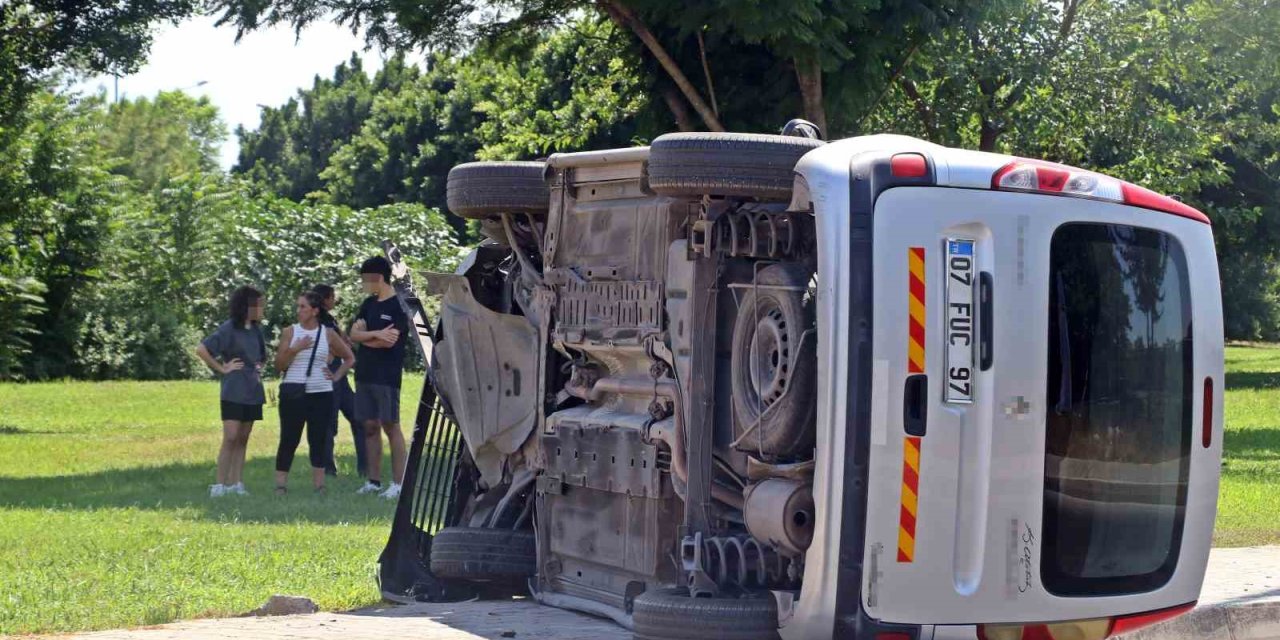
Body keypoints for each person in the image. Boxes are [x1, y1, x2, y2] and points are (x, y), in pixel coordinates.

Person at [273, 290, 356, 495]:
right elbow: (279, 365)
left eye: (303, 307)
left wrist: (336, 377)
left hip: (321, 392)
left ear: (315, 311)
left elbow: (349, 358)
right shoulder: (290, 332)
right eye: (298, 306)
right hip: (294, 391)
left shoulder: (327, 334)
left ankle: (319, 486)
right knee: (289, 438)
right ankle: (281, 485)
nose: (298, 310)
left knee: (318, 439)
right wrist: (294, 349)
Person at [196, 286, 267, 498]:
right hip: (233, 389)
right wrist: (222, 368)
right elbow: (201, 349)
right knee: (231, 436)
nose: (262, 308)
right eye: (259, 304)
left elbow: (262, 356)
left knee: (243, 438)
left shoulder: (256, 330)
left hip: (253, 389)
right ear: (247, 306)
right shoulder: (228, 329)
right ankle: (219, 485)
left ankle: (237, 483)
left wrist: (258, 366)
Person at [349, 256, 409, 499]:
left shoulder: (399, 306)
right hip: (364, 374)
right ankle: (373, 482)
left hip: (387, 376)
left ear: (379, 278)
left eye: (366, 280)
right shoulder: (368, 304)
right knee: (369, 427)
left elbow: (390, 341)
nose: (364, 285)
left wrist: (367, 337)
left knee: (390, 426)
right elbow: (353, 334)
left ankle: (398, 484)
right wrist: (373, 335)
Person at [312, 284, 366, 479]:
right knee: (329, 424)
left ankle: (364, 467)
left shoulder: (330, 319)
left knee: (358, 418)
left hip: (340, 376)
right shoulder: (318, 321)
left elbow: (342, 341)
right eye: (332, 297)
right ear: (325, 299)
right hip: (328, 375)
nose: (334, 300)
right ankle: (328, 469)